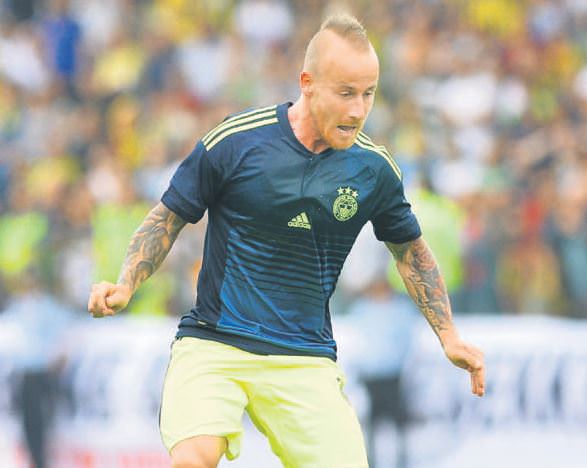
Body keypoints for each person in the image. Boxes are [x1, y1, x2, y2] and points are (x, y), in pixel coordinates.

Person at [88, 13, 485, 468]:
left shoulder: (373, 170)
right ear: (307, 83)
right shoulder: (237, 142)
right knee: (193, 459)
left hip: (304, 356)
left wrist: (449, 336)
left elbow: (410, 252)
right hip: (215, 344)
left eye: (368, 93)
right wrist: (126, 284)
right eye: (346, 93)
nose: (358, 110)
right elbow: (168, 218)